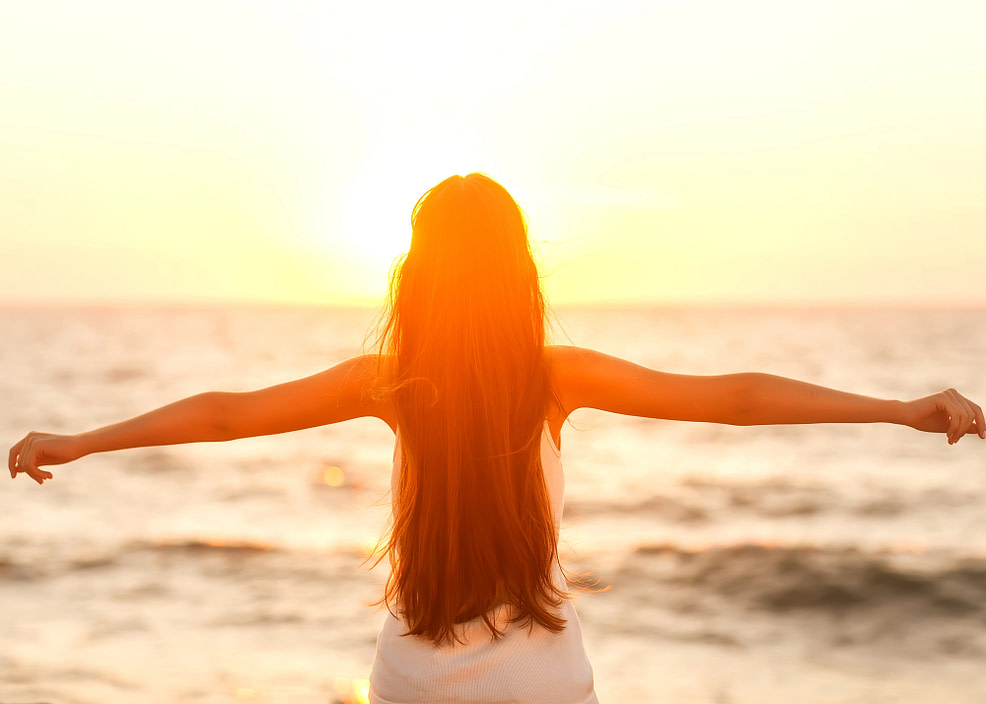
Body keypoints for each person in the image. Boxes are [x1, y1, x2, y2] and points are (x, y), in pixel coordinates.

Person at [8, 173, 984, 704]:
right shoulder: (552, 374)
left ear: (417, 274)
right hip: (539, 682)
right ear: (517, 269)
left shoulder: (390, 382)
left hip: (412, 674)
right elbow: (729, 396)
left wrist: (82, 438)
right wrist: (897, 407)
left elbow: (224, 412)